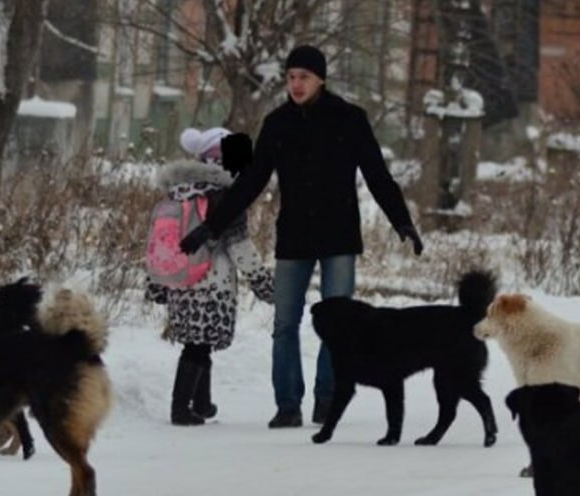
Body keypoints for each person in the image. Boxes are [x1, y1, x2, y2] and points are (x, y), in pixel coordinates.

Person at [180, 44, 424, 429]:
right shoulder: (278, 123)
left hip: (339, 236)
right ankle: (288, 404)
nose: (296, 84)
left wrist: (402, 221)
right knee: (284, 324)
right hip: (294, 237)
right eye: (291, 77)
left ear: (320, 79)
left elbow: (377, 174)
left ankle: (327, 399)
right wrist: (212, 226)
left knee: (340, 325)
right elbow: (252, 181)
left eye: (304, 77)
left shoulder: (350, 119)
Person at [148, 127, 274, 426]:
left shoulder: (177, 192)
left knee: (198, 343)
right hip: (212, 282)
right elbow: (240, 247)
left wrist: (156, 282)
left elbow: (158, 241)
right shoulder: (226, 197)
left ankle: (202, 403)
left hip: (180, 280)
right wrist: (263, 282)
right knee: (197, 347)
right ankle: (180, 409)